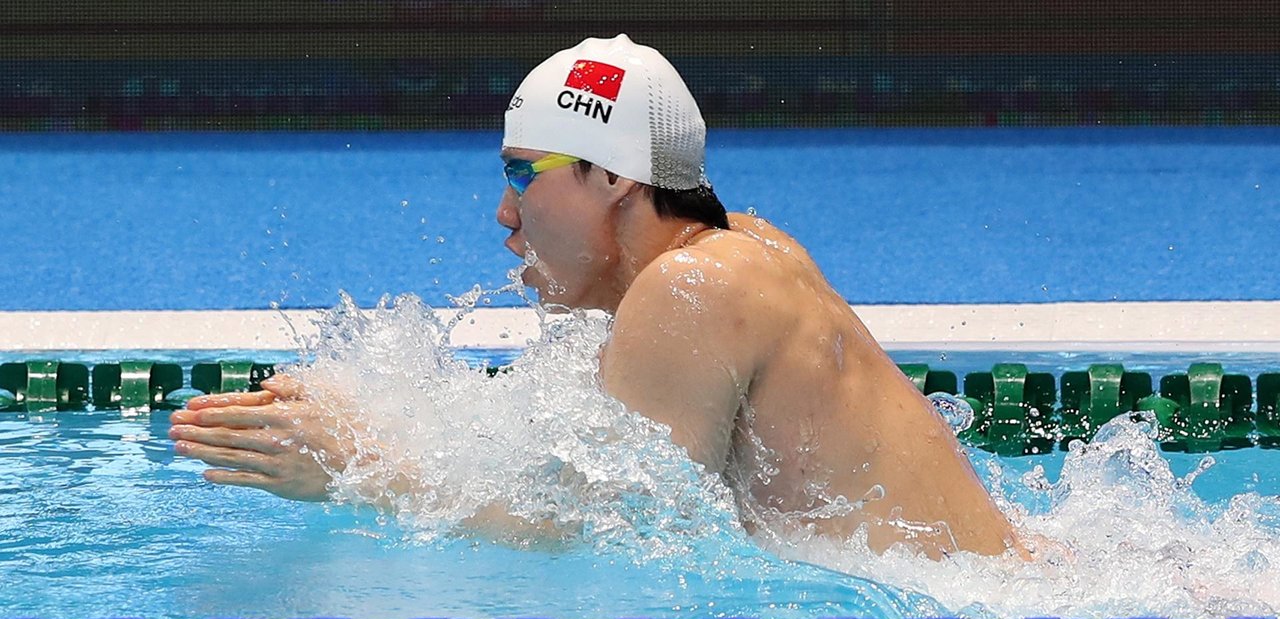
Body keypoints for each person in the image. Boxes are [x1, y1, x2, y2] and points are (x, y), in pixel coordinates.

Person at [170, 35, 1024, 559]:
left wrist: (354, 470)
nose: (504, 214)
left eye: (520, 174)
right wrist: (366, 417)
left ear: (614, 175)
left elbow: (605, 540)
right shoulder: (737, 250)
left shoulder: (695, 287)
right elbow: (588, 463)